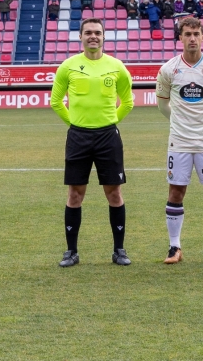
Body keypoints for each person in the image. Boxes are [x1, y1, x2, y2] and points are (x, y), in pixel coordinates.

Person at [50, 18, 134, 268]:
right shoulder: (68, 66)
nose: (93, 37)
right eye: (88, 33)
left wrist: (109, 123)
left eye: (97, 32)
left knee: (114, 192)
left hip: (108, 136)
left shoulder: (117, 66)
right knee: (75, 194)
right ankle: (71, 251)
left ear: (104, 36)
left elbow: (128, 102)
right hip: (78, 136)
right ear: (80, 37)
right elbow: (56, 102)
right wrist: (75, 124)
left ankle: (119, 250)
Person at [155, 17, 203, 264]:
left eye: (196, 34)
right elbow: (162, 104)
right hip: (179, 142)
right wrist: (179, 122)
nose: (192, 38)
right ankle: (174, 247)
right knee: (176, 192)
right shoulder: (168, 70)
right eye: (187, 34)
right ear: (180, 38)